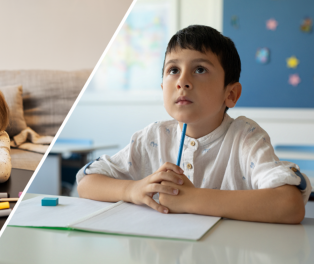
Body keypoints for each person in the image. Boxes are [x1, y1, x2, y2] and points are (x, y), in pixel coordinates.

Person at [76, 25, 311, 224]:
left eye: (200, 69)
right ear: (162, 89)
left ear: (230, 94)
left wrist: (191, 198)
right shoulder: (153, 136)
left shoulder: (245, 138)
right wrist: (132, 190)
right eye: (173, 70)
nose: (182, 81)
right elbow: (87, 183)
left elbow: (289, 205)